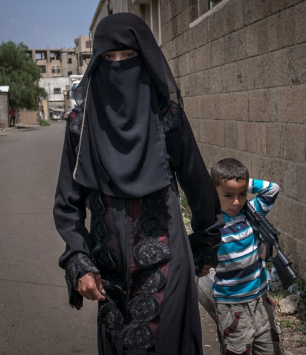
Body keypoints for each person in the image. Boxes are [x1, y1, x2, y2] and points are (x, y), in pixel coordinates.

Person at [53, 13, 224, 355]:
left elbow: (198, 185)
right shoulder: (80, 126)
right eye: (109, 57)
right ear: (97, 63)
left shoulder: (168, 119)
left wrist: (206, 244)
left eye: (128, 56)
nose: (118, 65)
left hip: (166, 263)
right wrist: (79, 260)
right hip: (108, 273)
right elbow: (67, 204)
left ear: (144, 58)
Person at [211, 158, 281, 355]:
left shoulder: (251, 213)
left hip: (261, 300)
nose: (236, 202)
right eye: (228, 195)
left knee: (270, 349)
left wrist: (241, 181)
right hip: (233, 307)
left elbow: (273, 188)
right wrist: (217, 182)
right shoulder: (212, 225)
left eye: (242, 195)